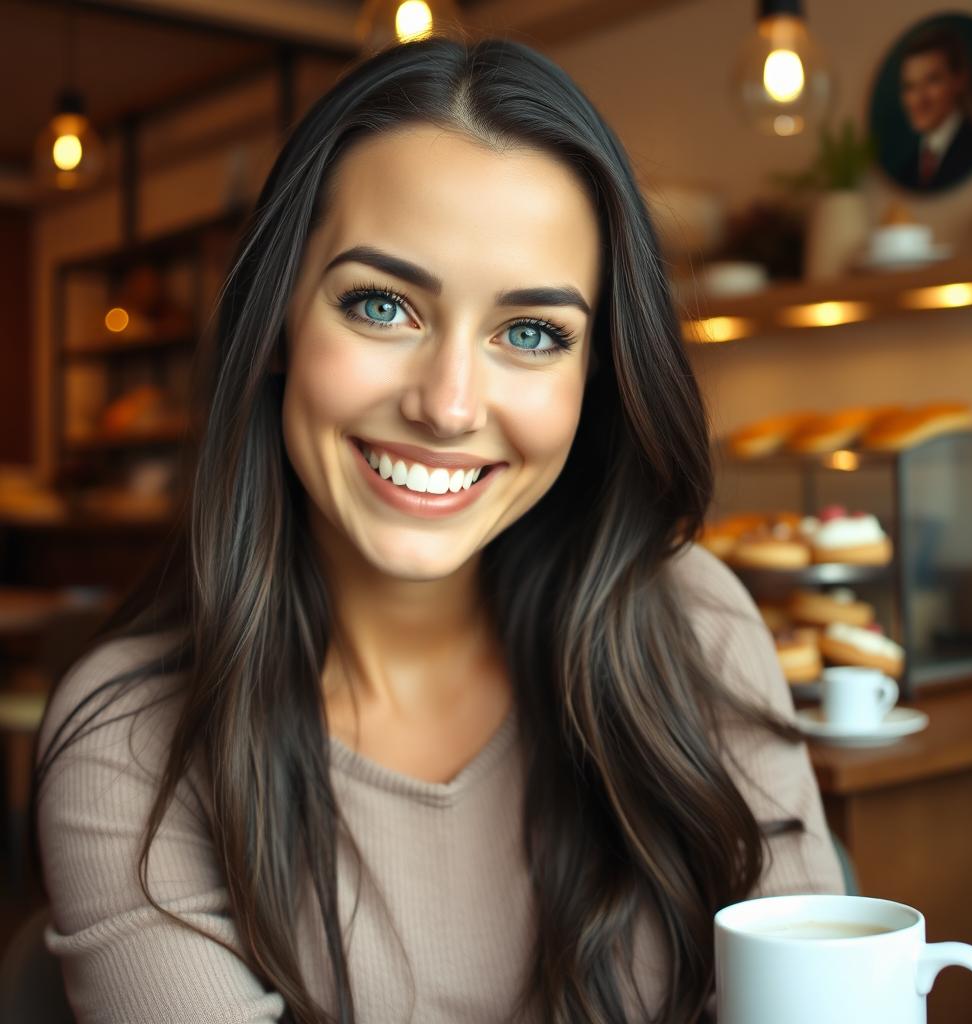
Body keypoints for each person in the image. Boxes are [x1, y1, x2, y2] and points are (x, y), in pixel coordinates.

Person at [30, 35, 844, 1024]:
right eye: (382, 305)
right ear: (280, 320)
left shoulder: (692, 622)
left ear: (595, 379)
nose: (449, 405)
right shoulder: (132, 738)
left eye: (531, 333)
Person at [891, 24, 972, 191]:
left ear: (960, 80)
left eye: (932, 80)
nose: (919, 99)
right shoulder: (906, 172)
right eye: (910, 86)